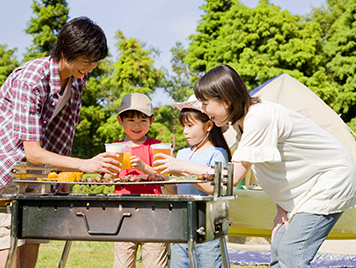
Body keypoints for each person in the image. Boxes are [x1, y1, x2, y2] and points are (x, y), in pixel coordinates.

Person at [155, 64, 356, 267]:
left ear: (225, 100)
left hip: (331, 180)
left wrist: (182, 166)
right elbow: (273, 166)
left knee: (292, 252)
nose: (204, 110)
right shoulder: (242, 123)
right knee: (278, 246)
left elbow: (231, 178)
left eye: (205, 103)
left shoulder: (259, 117)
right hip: (306, 189)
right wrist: (282, 209)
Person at [0, 17, 121, 268]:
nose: (91, 67)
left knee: (30, 245)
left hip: (37, 176)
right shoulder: (31, 80)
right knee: (9, 253)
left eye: (95, 61)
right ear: (66, 51)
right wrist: (84, 164)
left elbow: (64, 132)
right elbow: (31, 151)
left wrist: (63, 177)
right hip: (7, 173)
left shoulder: (78, 79)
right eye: (87, 60)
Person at [158, 94, 231, 268]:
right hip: (181, 225)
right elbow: (175, 191)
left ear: (209, 126)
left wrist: (183, 172)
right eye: (184, 125)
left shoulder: (217, 153)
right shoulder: (182, 153)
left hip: (208, 227)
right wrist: (164, 178)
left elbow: (214, 189)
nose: (185, 131)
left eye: (190, 125)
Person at [104, 93, 168, 268]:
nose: (136, 125)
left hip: (154, 211)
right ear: (120, 120)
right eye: (131, 120)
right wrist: (111, 170)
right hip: (123, 212)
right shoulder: (115, 148)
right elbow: (108, 181)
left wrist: (143, 167)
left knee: (156, 261)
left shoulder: (156, 146)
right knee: (123, 261)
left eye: (143, 120)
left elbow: (166, 178)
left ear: (151, 121)